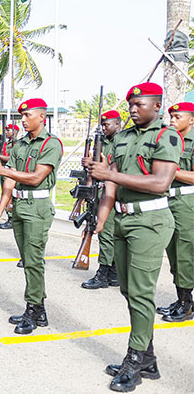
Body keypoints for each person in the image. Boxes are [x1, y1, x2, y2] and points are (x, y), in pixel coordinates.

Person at [85, 83, 179, 393]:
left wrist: (109, 175)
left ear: (157, 106)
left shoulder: (166, 137)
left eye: (140, 104)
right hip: (123, 218)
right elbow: (110, 181)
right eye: (131, 104)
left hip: (150, 220)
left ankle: (135, 358)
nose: (133, 109)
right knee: (128, 290)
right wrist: (101, 215)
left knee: (140, 293)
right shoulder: (122, 137)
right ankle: (148, 359)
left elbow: (160, 182)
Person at [0, 98, 63, 333]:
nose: (22, 120)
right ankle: (38, 309)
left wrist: (1, 170)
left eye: (27, 115)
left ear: (42, 116)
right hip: (20, 207)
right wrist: (1, 208)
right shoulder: (20, 145)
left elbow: (36, 177)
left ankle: (34, 308)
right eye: (22, 116)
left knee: (33, 261)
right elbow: (10, 178)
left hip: (37, 207)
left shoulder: (51, 144)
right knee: (28, 260)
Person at [156, 101, 194, 322]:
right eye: (171, 116)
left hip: (187, 203)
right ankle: (181, 299)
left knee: (185, 254)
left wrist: (171, 171)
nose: (172, 120)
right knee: (173, 253)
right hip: (169, 201)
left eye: (178, 117)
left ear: (191, 119)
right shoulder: (170, 140)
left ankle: (187, 304)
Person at [81, 110, 122, 290]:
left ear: (118, 124)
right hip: (100, 191)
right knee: (109, 233)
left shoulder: (123, 141)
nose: (104, 128)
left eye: (107, 124)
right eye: (102, 124)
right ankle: (113, 273)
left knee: (106, 233)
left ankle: (103, 273)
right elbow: (94, 169)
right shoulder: (101, 142)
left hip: (113, 192)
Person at [0, 124, 19, 230]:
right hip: (4, 171)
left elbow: (11, 158)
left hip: (12, 171)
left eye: (9, 130)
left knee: (11, 196)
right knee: (5, 194)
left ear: (15, 132)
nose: (6, 132)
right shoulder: (6, 144)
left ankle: (12, 218)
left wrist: (0, 156)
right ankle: (8, 216)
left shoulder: (17, 144)